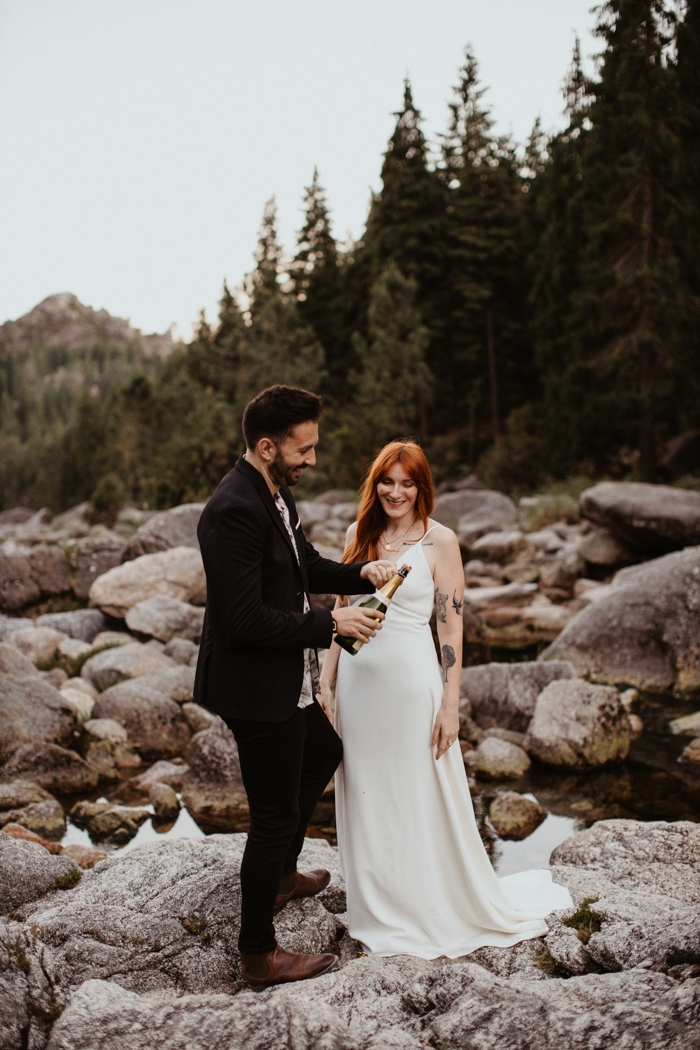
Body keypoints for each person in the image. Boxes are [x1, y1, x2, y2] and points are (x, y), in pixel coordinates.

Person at [319, 440, 572, 958]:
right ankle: (377, 903)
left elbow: (450, 625)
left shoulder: (440, 541)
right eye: (387, 481)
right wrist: (327, 678)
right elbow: (340, 609)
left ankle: (426, 903)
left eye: (407, 482)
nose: (396, 492)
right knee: (368, 794)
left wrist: (450, 703)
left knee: (417, 793)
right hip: (358, 690)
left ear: (422, 487)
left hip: (413, 688)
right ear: (375, 484)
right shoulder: (357, 534)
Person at [193, 385, 396, 988]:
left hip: (285, 678)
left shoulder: (274, 496)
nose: (312, 459)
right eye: (303, 449)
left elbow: (305, 564)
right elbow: (244, 619)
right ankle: (258, 953)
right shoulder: (233, 508)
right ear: (266, 446)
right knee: (274, 817)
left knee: (325, 752)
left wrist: (362, 574)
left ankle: (282, 876)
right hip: (254, 687)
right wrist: (332, 622)